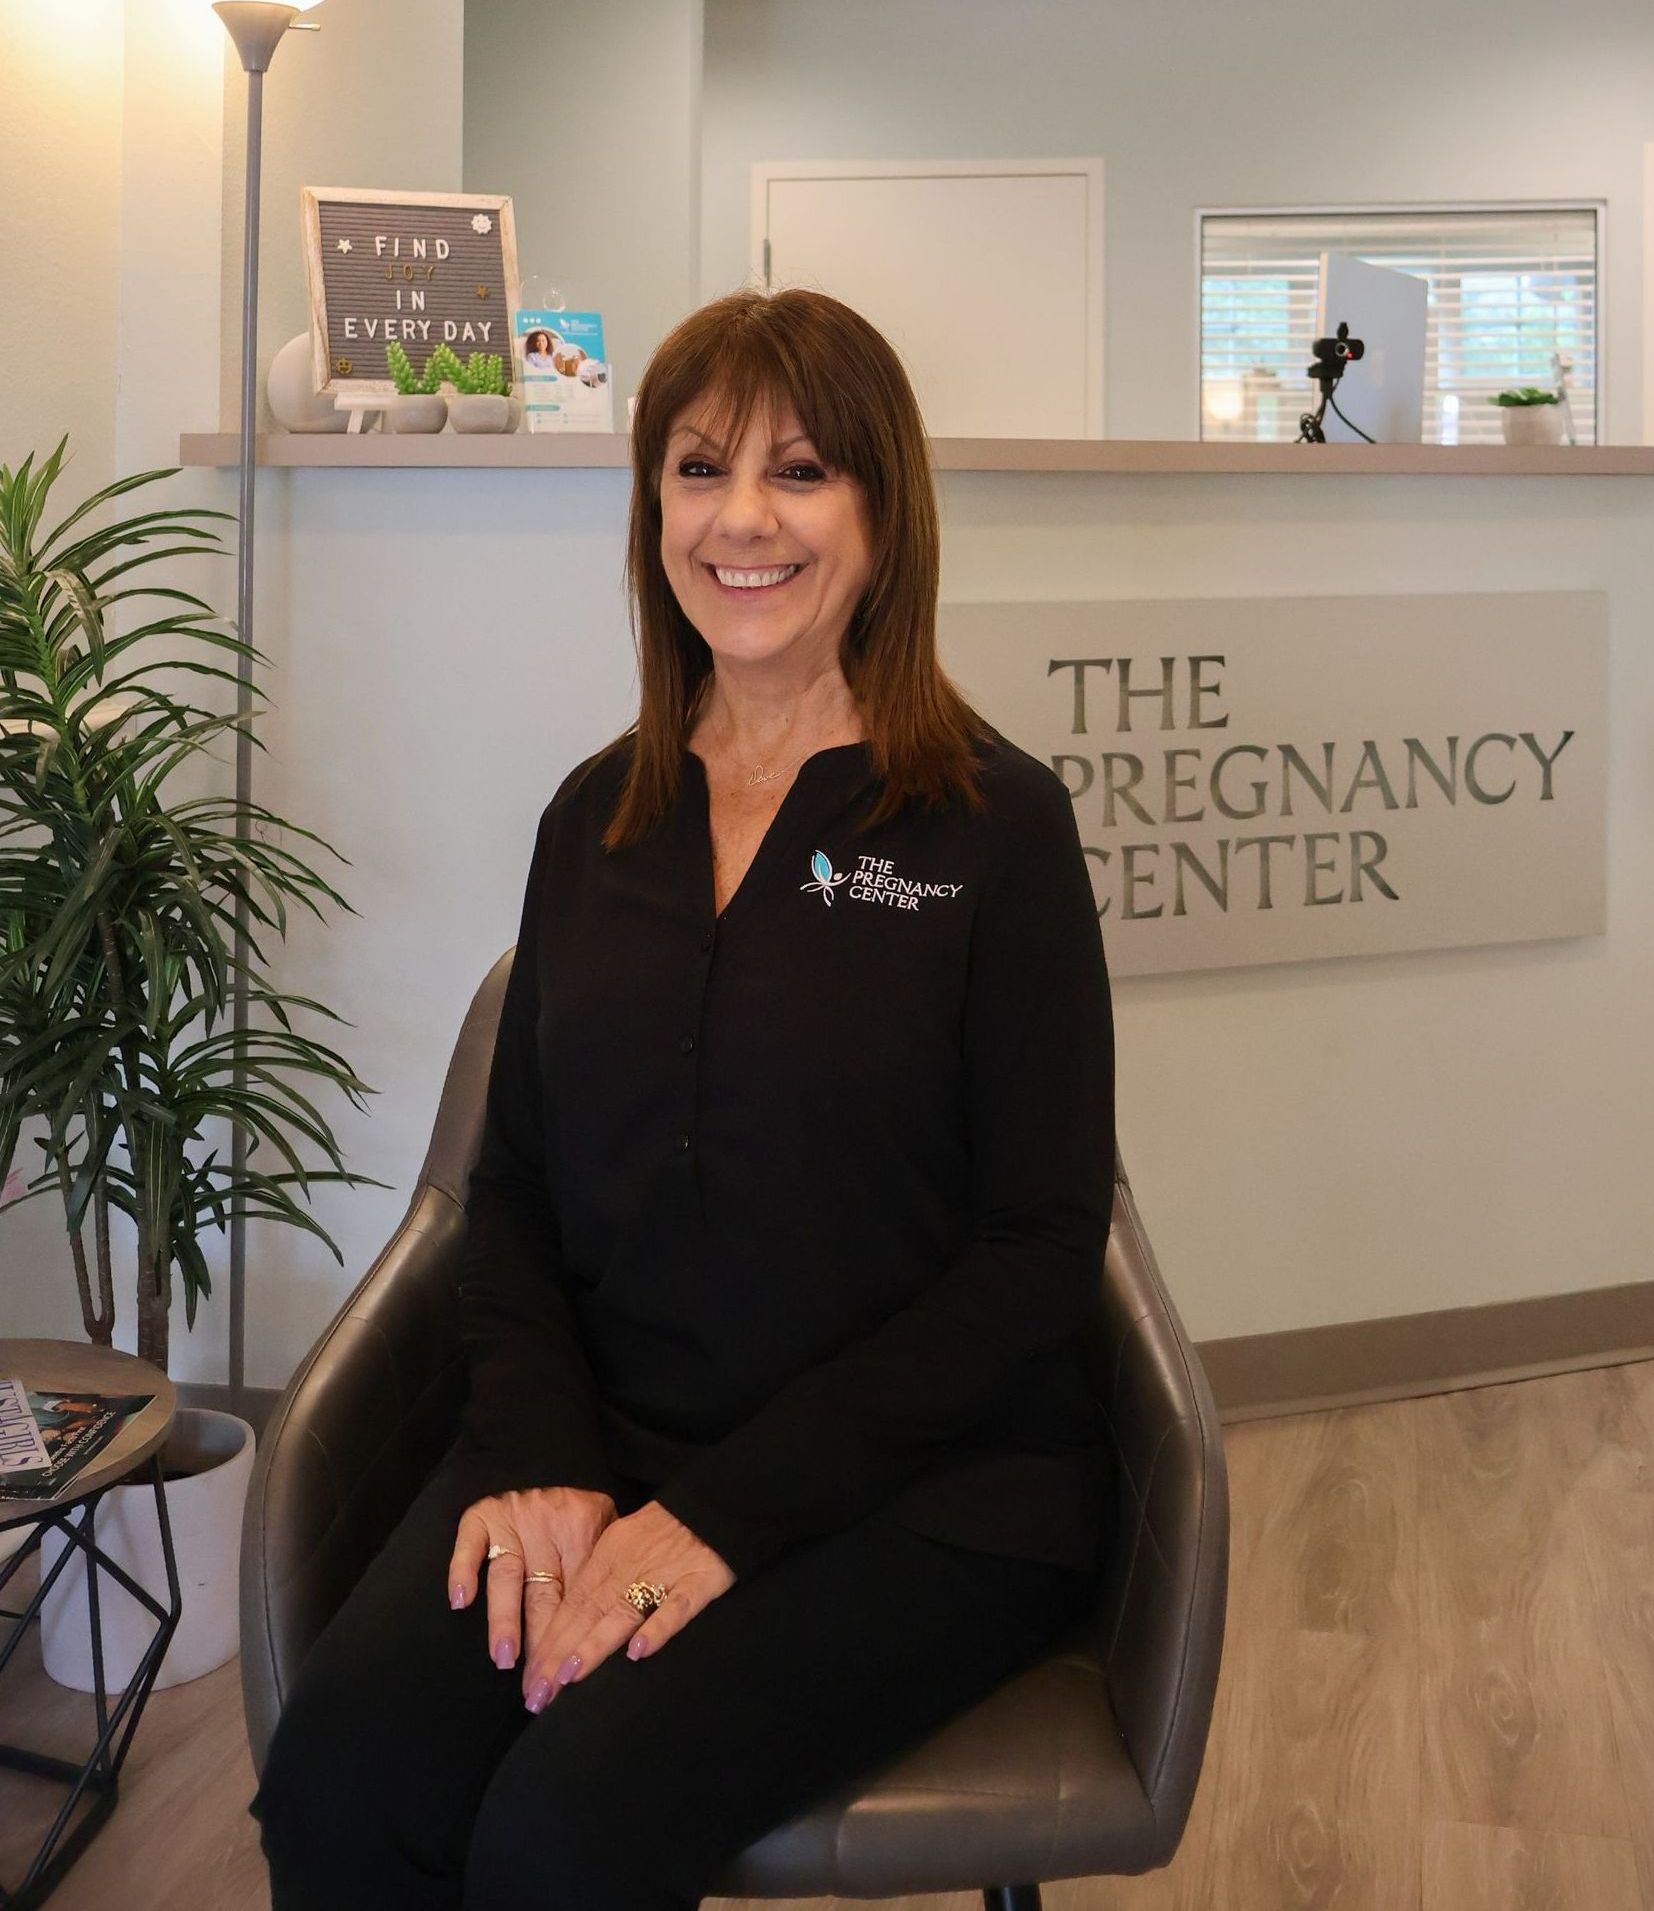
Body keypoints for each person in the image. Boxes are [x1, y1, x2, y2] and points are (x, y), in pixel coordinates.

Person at [249, 287, 1118, 1909]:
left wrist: (720, 1516)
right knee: (339, 1783)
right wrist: (544, 1458)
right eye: (698, 468)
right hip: (609, 1440)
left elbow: (1043, 1248)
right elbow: (504, 1197)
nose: (741, 520)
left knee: (562, 1838)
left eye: (799, 473)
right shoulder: (599, 818)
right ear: (651, 505)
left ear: (880, 511)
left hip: (924, 1493)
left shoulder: (997, 828)